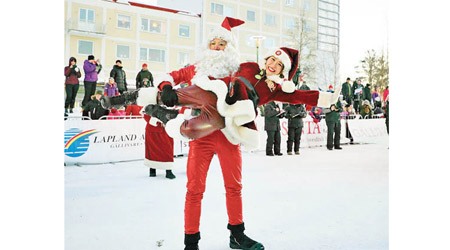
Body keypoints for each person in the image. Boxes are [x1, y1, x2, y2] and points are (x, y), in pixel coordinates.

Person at [143, 113, 176, 179]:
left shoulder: (169, 104)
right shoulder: (149, 104)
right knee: (152, 149)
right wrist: (157, 122)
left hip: (166, 129)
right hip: (152, 130)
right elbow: (145, 115)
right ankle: (152, 169)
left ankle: (168, 170)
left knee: (168, 149)